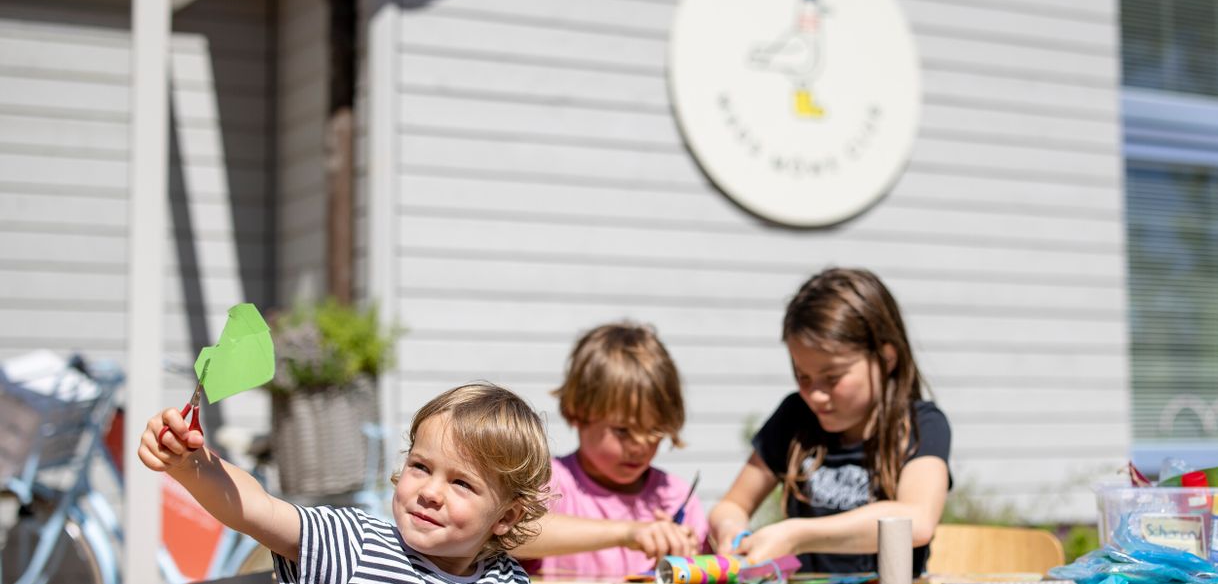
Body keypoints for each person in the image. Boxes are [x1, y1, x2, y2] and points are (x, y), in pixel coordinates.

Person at [139, 382, 551, 584]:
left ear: (506, 516)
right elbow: (259, 509)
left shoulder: (505, 577)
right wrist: (189, 463)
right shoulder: (356, 544)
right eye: (421, 467)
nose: (430, 491)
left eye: (462, 483)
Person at [708, 268, 951, 577]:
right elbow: (731, 505)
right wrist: (731, 529)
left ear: (887, 359)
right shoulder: (794, 417)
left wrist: (797, 536)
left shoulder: (920, 424)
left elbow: (916, 521)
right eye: (803, 376)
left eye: (832, 377)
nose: (816, 395)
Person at [512, 322, 707, 576]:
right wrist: (628, 533)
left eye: (655, 432)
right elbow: (513, 533)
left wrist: (687, 555)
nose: (640, 446)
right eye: (623, 431)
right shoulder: (547, 482)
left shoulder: (674, 496)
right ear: (579, 413)